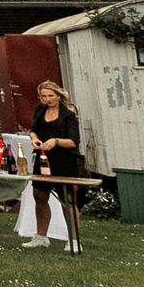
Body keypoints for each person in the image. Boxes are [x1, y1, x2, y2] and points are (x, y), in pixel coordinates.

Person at [25, 81, 84, 249]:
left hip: (64, 162)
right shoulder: (39, 110)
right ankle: (41, 237)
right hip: (43, 160)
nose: (47, 99)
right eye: (44, 96)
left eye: (50, 96)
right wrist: (33, 138)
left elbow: (74, 142)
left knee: (68, 201)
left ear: (59, 96)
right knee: (39, 196)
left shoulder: (68, 116)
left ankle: (74, 240)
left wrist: (56, 141)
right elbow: (33, 130)